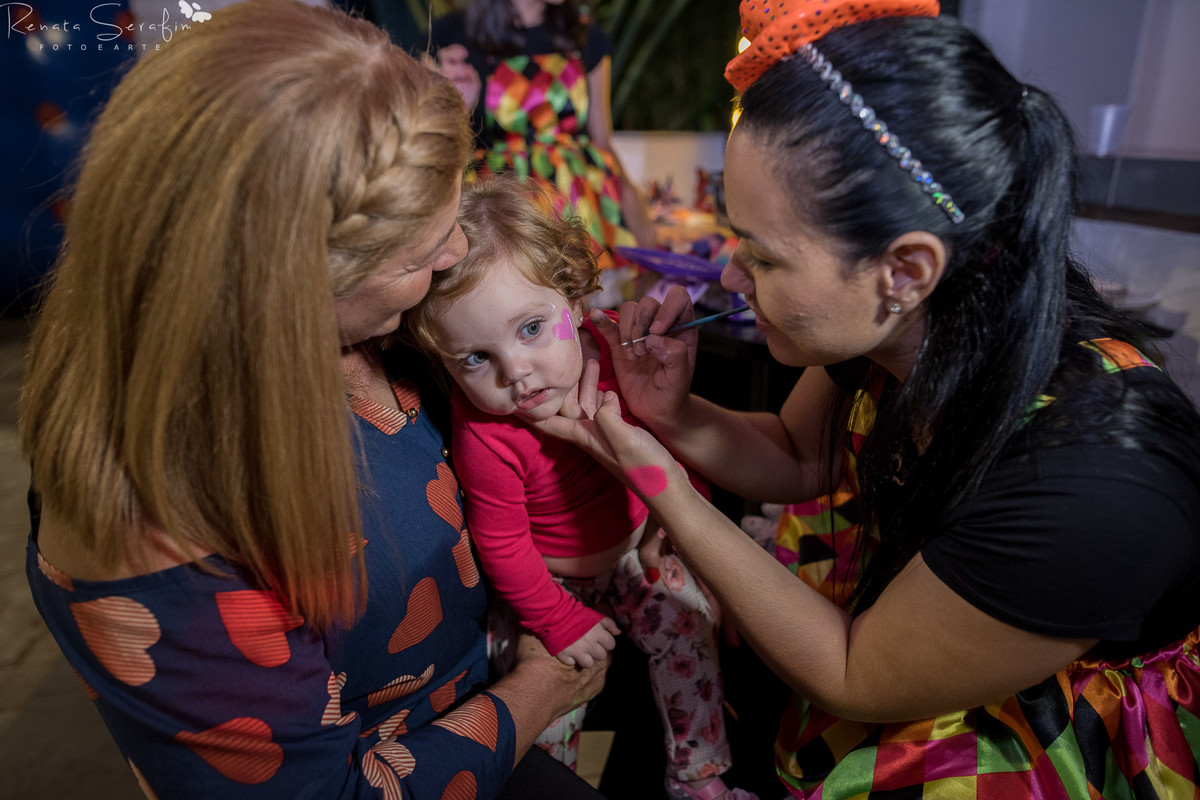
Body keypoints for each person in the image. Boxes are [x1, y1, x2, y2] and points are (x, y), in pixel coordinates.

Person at [534, 0, 1200, 797]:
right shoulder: (902, 329)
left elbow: (856, 674)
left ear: (905, 271)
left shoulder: (1096, 484)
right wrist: (672, 413)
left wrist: (662, 484)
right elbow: (791, 453)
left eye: (763, 258)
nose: (729, 281)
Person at [19, 2, 608, 798]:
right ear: (287, 286)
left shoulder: (364, 330)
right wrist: (541, 687)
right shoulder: (154, 527)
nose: (456, 251)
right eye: (418, 252)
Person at [404, 176, 757, 800]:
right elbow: (502, 545)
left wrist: (679, 534)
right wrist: (557, 618)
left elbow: (677, 452)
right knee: (554, 691)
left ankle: (700, 777)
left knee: (690, 631)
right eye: (475, 359)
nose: (516, 373)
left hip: (634, 551)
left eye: (531, 329)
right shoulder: (485, 432)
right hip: (548, 581)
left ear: (574, 304)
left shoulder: (620, 357)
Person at [428, 0, 656, 282]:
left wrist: (633, 204)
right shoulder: (452, 34)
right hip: (501, 211)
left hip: (579, 213)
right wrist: (451, 103)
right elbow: (428, 142)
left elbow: (601, 140)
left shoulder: (582, 31)